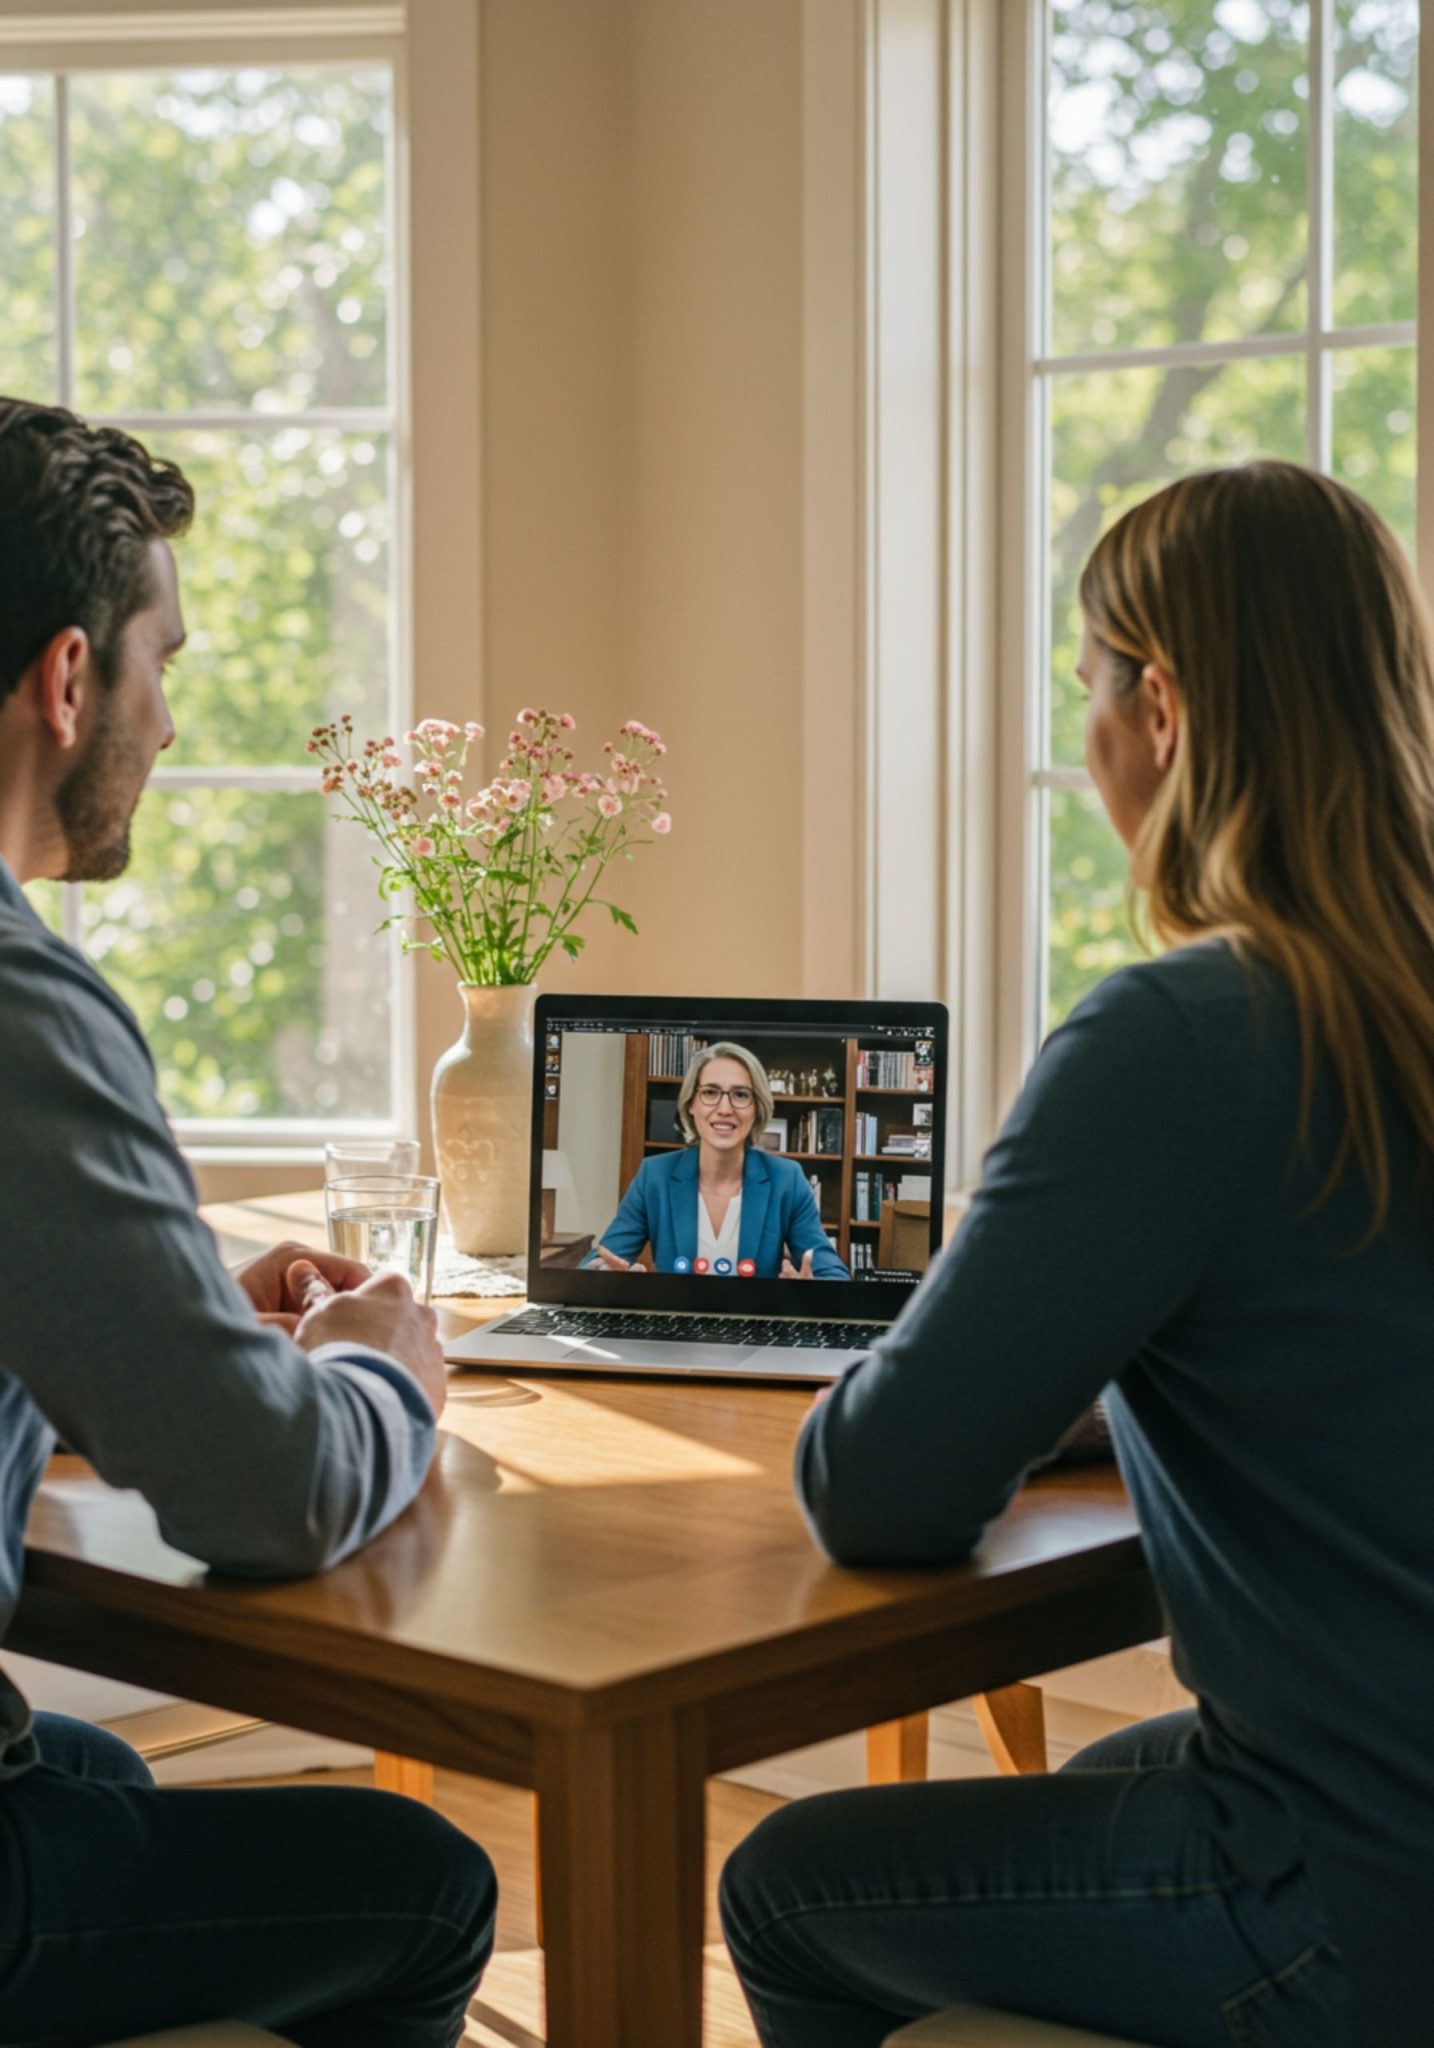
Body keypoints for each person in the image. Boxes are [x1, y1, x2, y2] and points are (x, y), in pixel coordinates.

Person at [720, 462, 1434, 2048]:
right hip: (1375, 1796)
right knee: (1113, 1774)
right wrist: (1101, 1404)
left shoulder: (1185, 1036)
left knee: (784, 1883)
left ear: (1160, 709)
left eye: (1088, 692)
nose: (1087, 737)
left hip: (1355, 1898)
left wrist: (958, 1376)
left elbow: (881, 1487)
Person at [0, 398, 495, 2047]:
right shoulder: (23, 1007)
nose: (164, 709)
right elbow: (266, 1493)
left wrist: (174, 1292)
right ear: (70, 679)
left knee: (95, 1767)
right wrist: (384, 1371)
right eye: (167, 660)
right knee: (423, 1878)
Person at [590, 1040, 849, 1277]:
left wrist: (814, 1291)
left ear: (757, 1108)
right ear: (691, 1104)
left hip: (755, 1325)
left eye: (740, 1095)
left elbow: (834, 1274)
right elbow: (599, 1261)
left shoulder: (787, 1179)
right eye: (710, 1093)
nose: (724, 1109)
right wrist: (611, 1278)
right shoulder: (654, 1175)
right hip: (677, 1323)